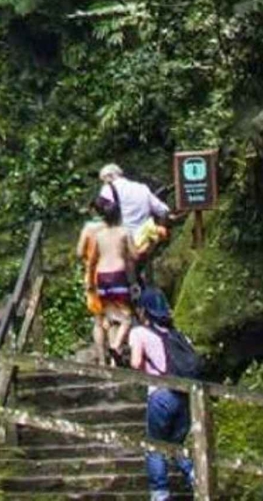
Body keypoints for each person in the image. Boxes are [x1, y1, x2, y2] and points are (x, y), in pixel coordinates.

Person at [128, 288, 195, 501]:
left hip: (160, 394)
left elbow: (135, 362)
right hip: (184, 394)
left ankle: (160, 493)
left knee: (155, 445)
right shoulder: (178, 335)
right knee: (176, 443)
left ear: (143, 311)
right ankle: (195, 475)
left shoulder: (139, 332)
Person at [78, 196, 138, 364]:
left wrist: (90, 283)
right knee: (126, 317)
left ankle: (110, 359)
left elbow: (92, 261)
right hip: (118, 276)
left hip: (102, 277)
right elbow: (134, 256)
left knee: (110, 317)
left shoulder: (99, 235)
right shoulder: (124, 232)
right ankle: (116, 346)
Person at [98, 163, 172, 240]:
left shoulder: (108, 188)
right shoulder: (141, 187)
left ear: (107, 178)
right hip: (146, 235)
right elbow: (163, 210)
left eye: (103, 181)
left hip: (126, 238)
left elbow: (101, 211)